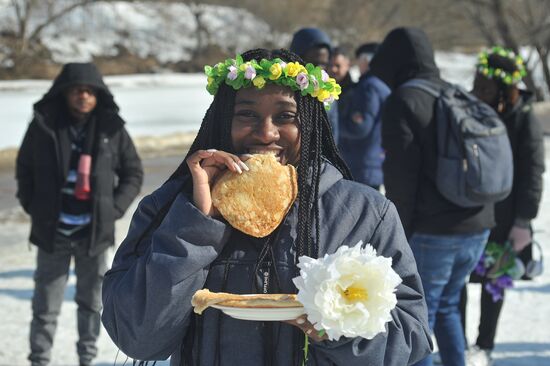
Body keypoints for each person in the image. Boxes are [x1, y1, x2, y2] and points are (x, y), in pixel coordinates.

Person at [101, 48, 433, 366]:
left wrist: (337, 330)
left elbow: (410, 337)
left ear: (312, 123)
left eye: (286, 116)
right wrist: (198, 224)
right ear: (221, 119)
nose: (266, 133)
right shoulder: (170, 207)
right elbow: (138, 338)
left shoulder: (365, 213)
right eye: (246, 114)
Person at [370, 28, 495, 366]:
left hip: (434, 231)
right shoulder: (454, 92)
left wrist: (399, 234)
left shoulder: (404, 100)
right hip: (478, 224)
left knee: (416, 316)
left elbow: (400, 176)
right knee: (449, 305)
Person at [16, 62, 144, 366]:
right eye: (77, 91)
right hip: (53, 232)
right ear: (65, 93)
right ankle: (39, 360)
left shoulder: (111, 129)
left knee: (91, 304)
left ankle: (86, 359)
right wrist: (33, 206)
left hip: (93, 235)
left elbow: (133, 173)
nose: (83, 96)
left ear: (98, 95)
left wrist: (112, 209)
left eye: (89, 91)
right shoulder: (44, 125)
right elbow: (24, 170)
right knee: (45, 306)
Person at [459, 47, 545, 366]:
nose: (477, 93)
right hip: (470, 212)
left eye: (485, 88)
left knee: (494, 280)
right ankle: (458, 343)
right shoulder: (471, 110)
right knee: (462, 280)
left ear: (504, 89)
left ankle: (485, 345)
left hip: (508, 218)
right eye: (476, 85)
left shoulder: (523, 118)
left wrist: (524, 221)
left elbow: (533, 173)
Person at [338, 42, 389, 190]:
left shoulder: (368, 87)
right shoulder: (381, 85)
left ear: (367, 60)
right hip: (372, 163)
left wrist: (332, 126)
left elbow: (359, 128)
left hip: (360, 165)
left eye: (359, 60)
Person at [290, 27, 339, 143]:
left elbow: (332, 140)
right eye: (313, 64)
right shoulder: (280, 90)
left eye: (323, 64)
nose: (317, 70)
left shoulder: (327, 97)